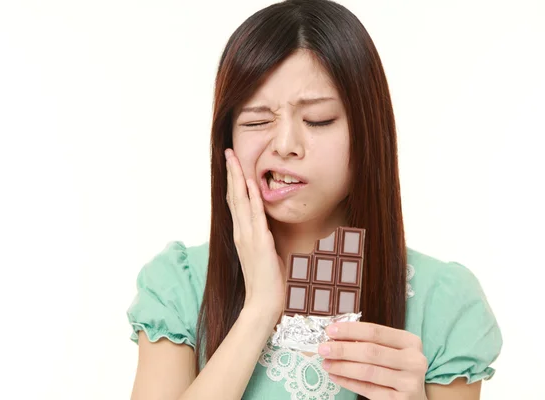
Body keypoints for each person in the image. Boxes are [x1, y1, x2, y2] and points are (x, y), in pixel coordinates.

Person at [126, 0, 502, 399]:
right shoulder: (178, 285)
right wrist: (259, 310)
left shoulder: (442, 300)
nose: (286, 145)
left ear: (368, 133)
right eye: (257, 120)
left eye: (318, 119)